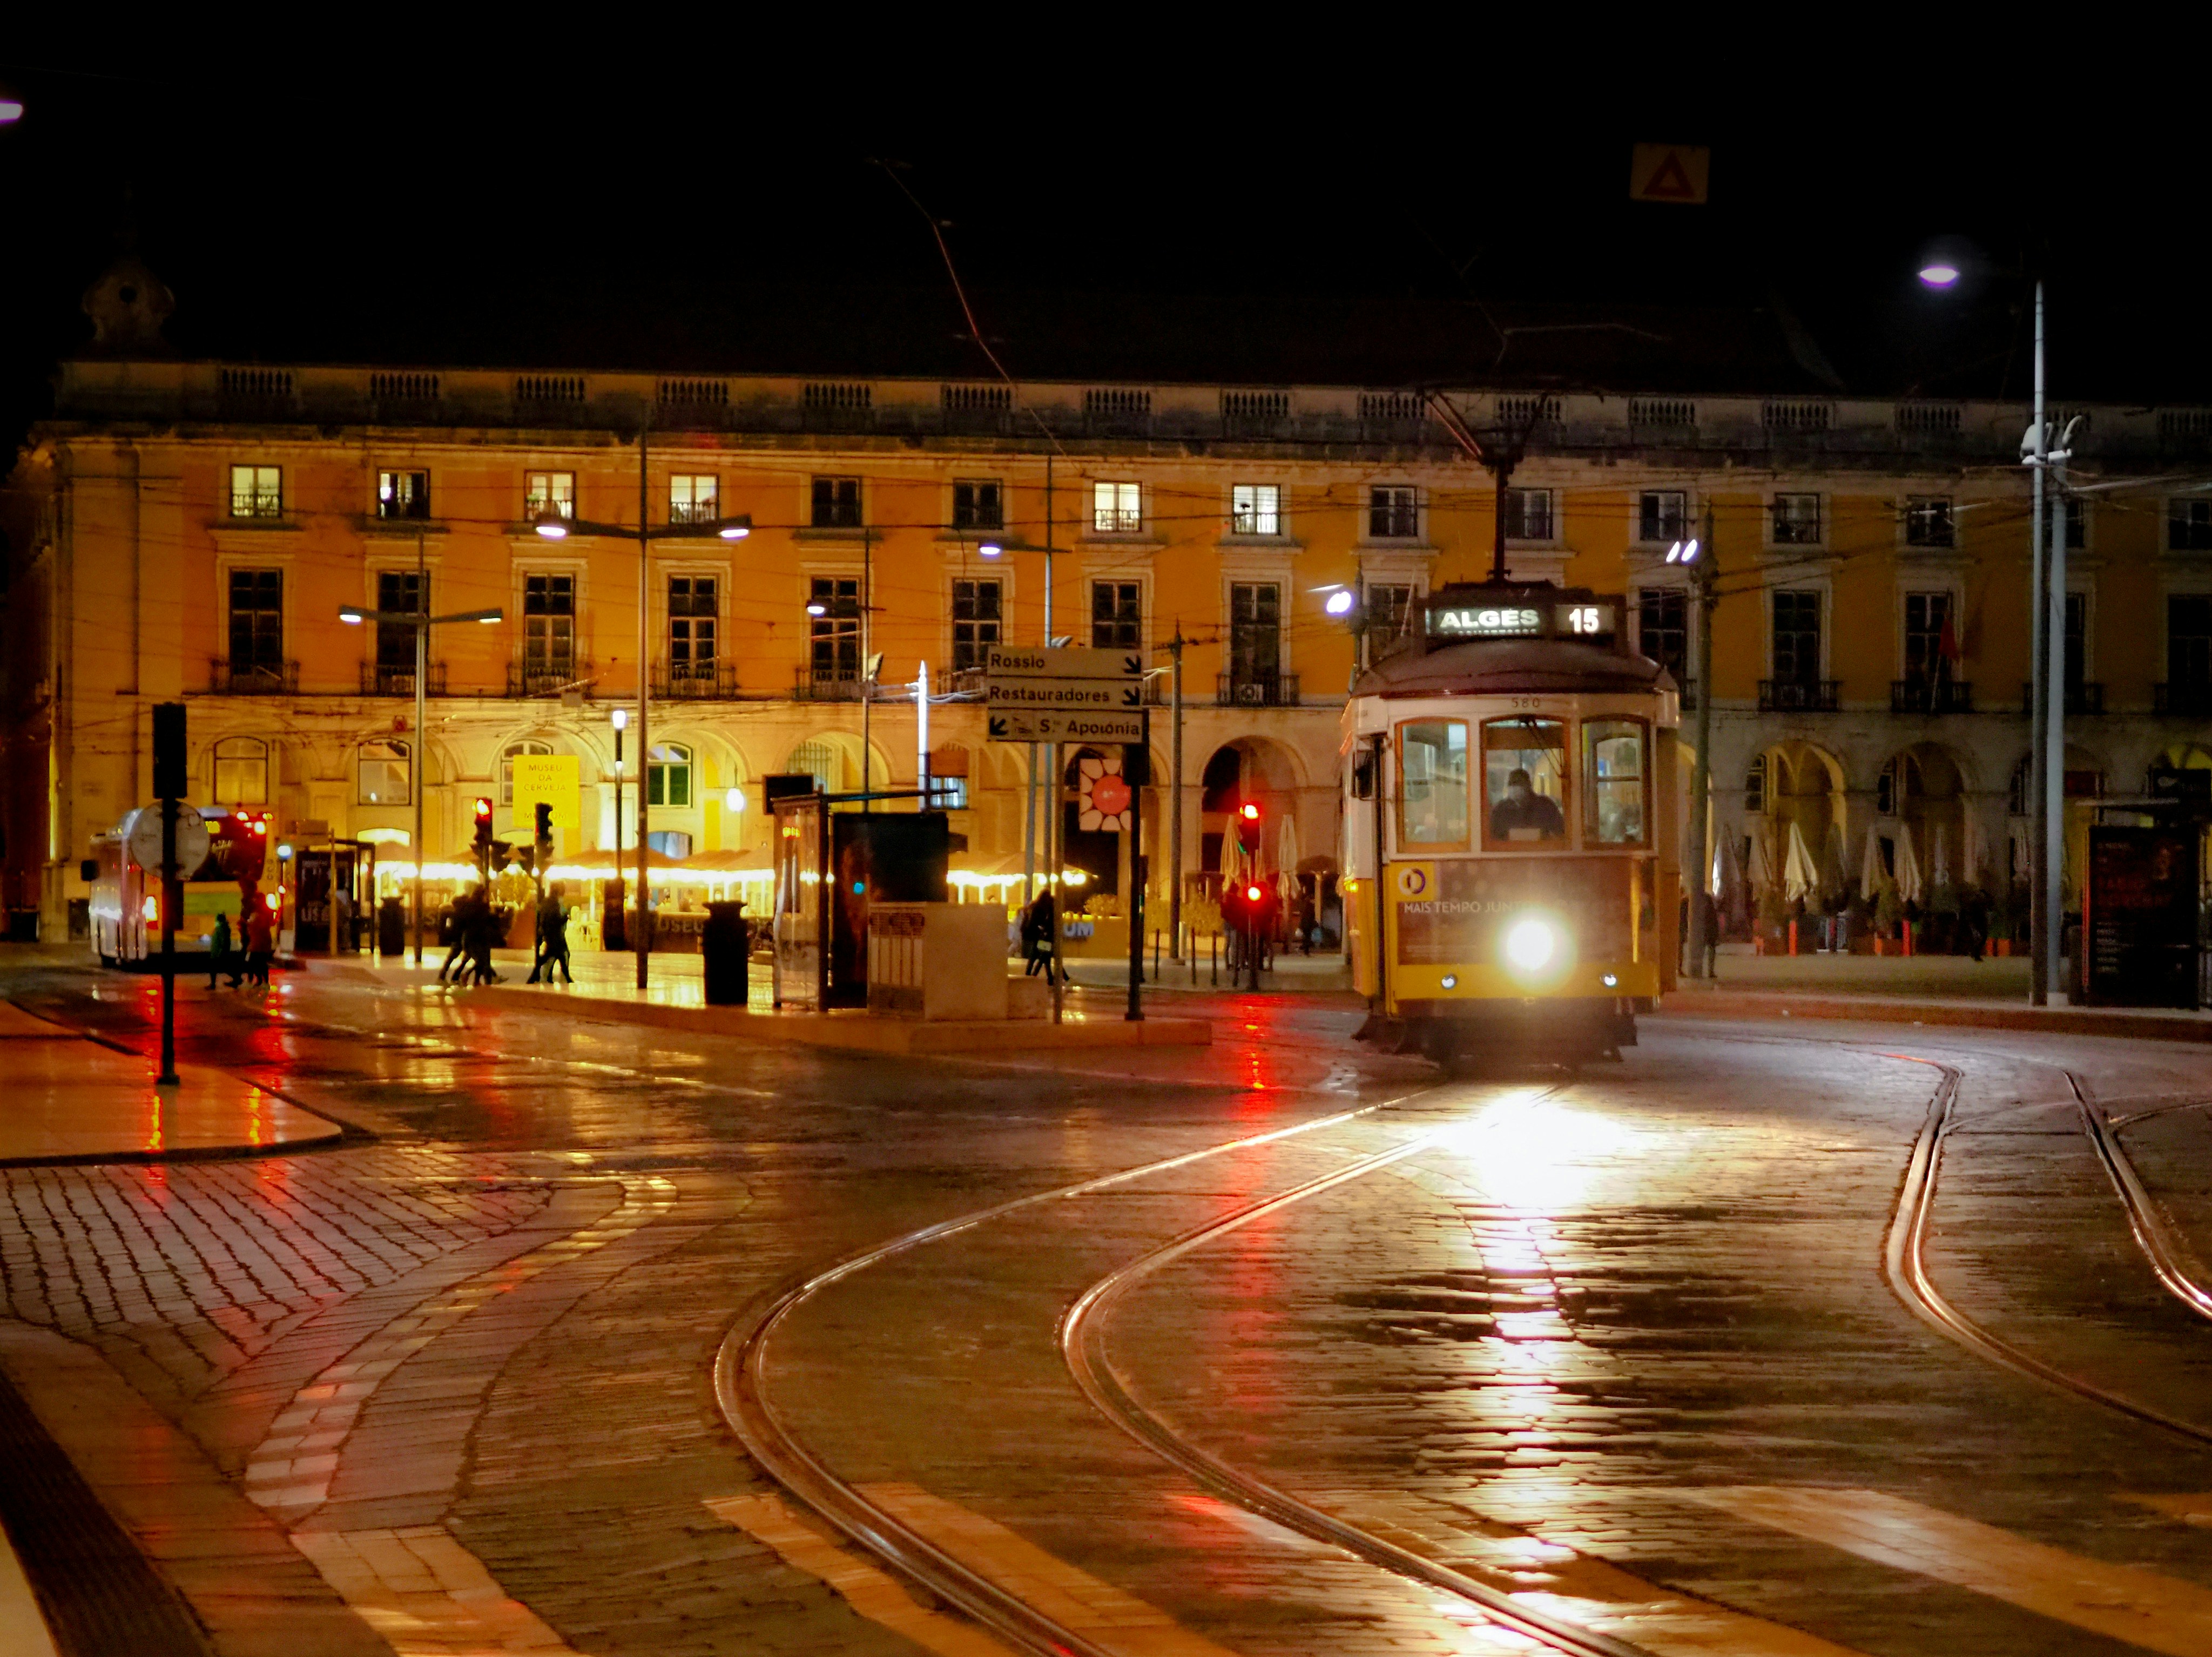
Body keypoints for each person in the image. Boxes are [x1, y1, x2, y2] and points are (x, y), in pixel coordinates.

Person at [1489, 767, 1565, 842]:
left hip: (1541, 851)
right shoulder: (1500, 810)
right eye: (1511, 784)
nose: (1515, 787)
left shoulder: (1546, 806)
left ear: (1529, 785)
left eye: (1519, 783)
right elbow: (1492, 838)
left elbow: (1560, 834)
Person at [535, 884, 572, 985]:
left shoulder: (547, 902)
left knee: (557, 955)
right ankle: (565, 977)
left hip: (552, 935)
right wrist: (565, 917)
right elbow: (555, 920)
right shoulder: (554, 904)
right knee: (556, 955)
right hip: (556, 935)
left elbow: (544, 918)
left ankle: (565, 977)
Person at [243, 900, 275, 988]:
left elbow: (252, 928)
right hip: (262, 945)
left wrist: (247, 924)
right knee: (261, 963)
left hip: (256, 945)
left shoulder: (256, 916)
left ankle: (256, 981)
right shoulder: (265, 916)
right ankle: (262, 981)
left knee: (251, 963)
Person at [206, 910, 237, 990]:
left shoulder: (222, 929)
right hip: (218, 952)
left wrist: (220, 952)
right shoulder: (221, 928)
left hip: (218, 953)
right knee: (223, 968)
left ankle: (213, 985)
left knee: (216, 968)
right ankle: (237, 979)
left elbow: (223, 941)